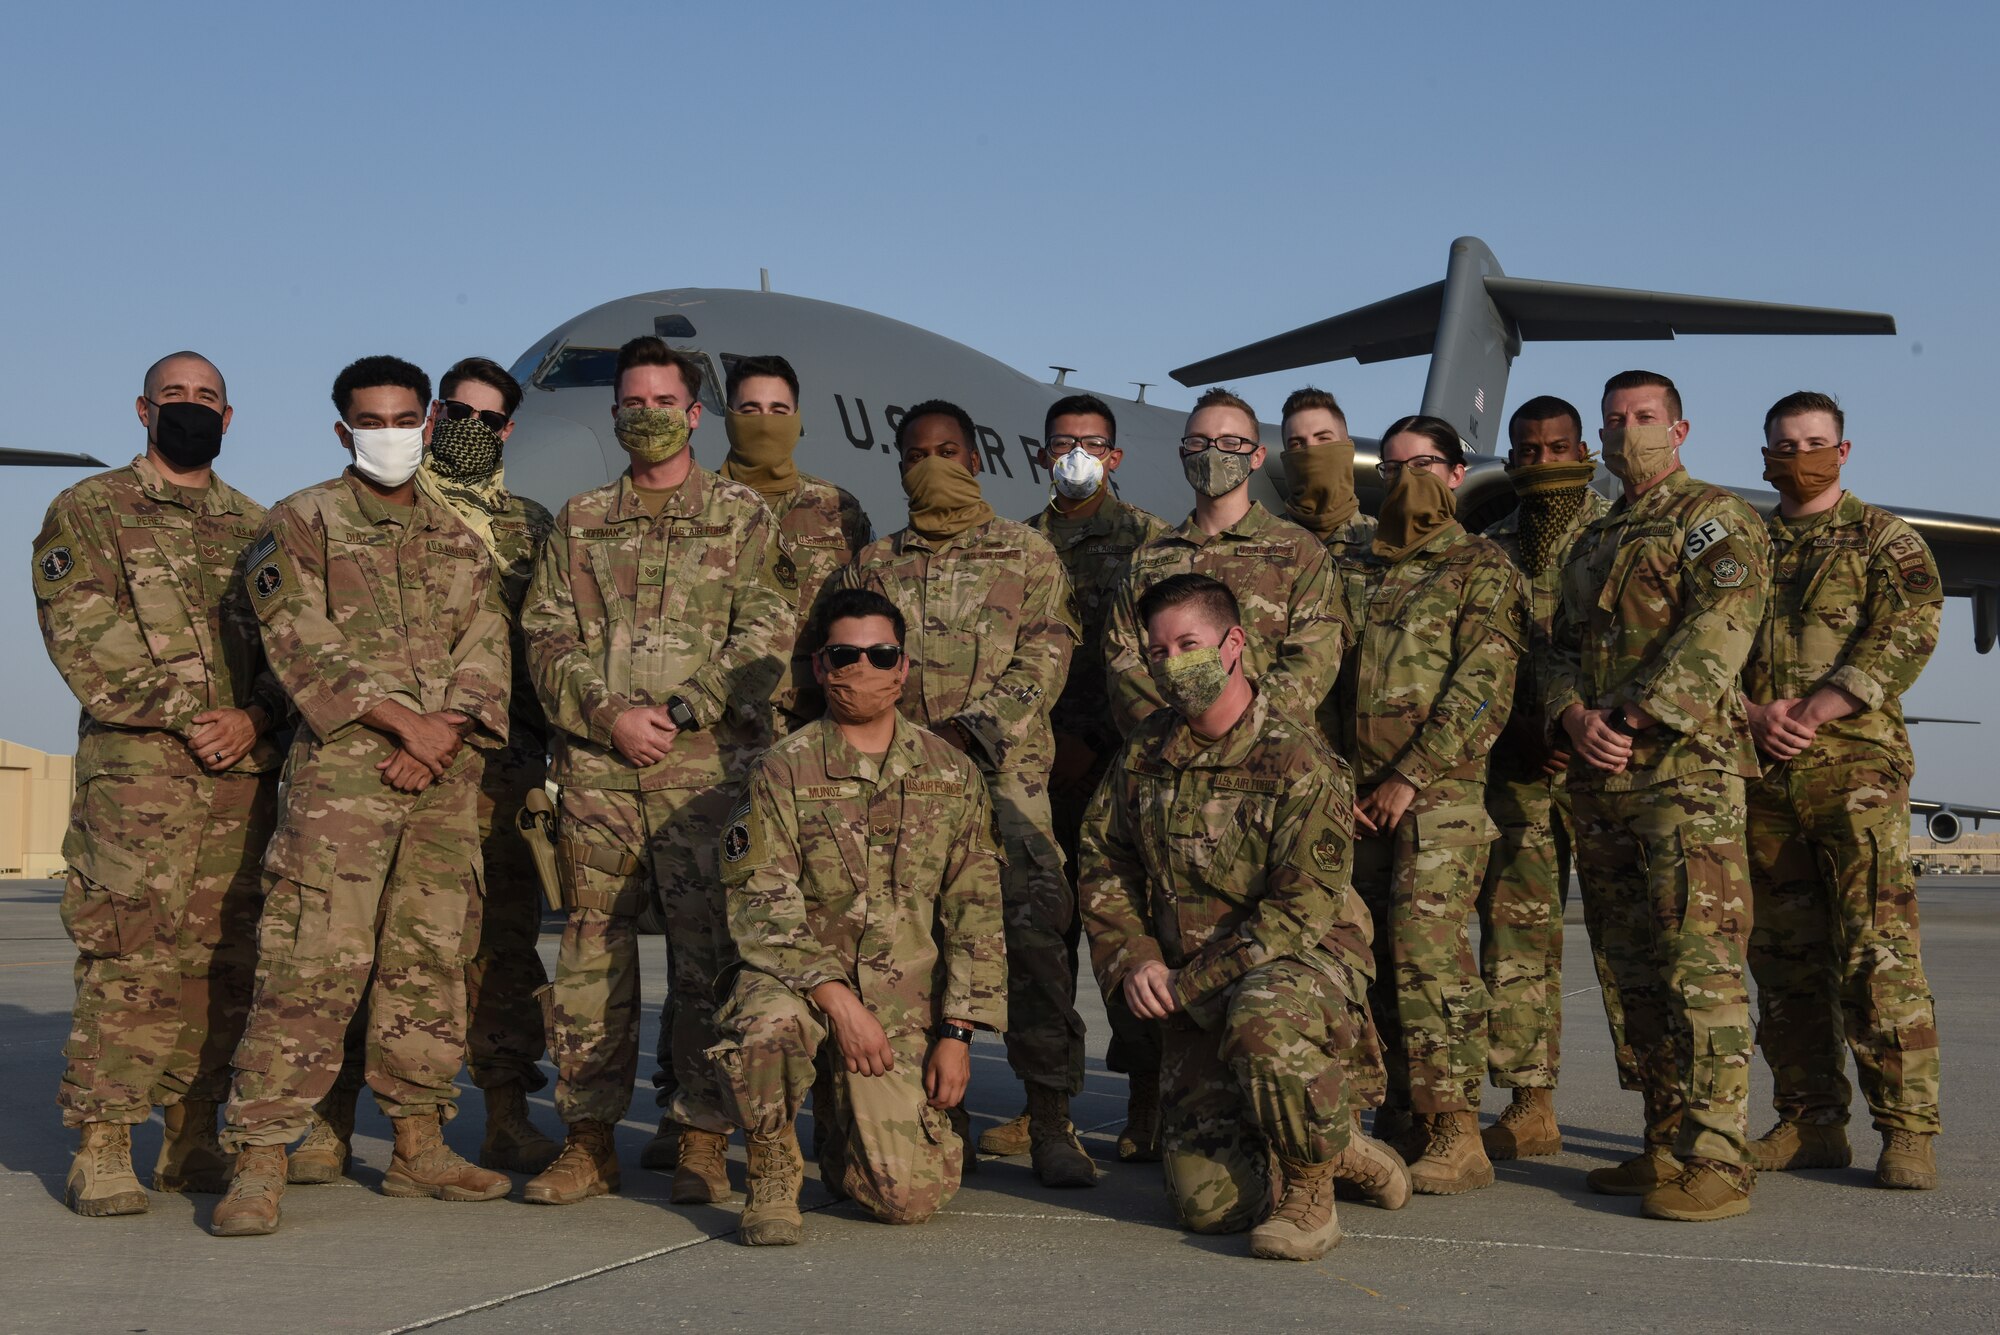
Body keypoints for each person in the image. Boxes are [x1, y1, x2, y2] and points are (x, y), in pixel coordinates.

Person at [212, 355, 515, 1236]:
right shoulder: (302, 520)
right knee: (309, 961)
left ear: (427, 424)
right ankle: (262, 1155)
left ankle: (419, 1142)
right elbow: (297, 639)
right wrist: (400, 722)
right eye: (371, 420)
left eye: (404, 417)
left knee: (428, 965)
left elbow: (486, 643)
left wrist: (445, 731)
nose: (390, 433)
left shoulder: (459, 538)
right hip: (346, 779)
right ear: (345, 431)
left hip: (440, 781)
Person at [519, 336, 793, 1208]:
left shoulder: (745, 519)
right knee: (591, 960)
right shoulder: (581, 518)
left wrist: (677, 712)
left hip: (705, 773)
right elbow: (546, 636)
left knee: (707, 958)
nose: (646, 414)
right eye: (631, 402)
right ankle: (589, 1138)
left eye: (662, 401)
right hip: (601, 776)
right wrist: (610, 717)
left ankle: (702, 1136)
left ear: (693, 413)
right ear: (616, 415)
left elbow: (766, 635)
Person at [1081, 574, 1402, 1261]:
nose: (1171, 664)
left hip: (1298, 968)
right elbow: (1104, 861)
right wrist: (1135, 956)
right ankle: (1335, 1141)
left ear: (1232, 643)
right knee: (1210, 1209)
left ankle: (1312, 1189)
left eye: (1187, 644)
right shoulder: (1143, 755)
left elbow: (1296, 912)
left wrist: (1186, 983)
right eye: (1158, 651)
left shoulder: (1298, 757)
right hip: (1189, 984)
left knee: (1263, 1012)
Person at [34, 351, 286, 1216]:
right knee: (127, 956)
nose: (191, 408)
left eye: (205, 397)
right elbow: (82, 639)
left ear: (230, 414)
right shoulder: (89, 509)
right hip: (136, 785)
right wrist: (193, 713)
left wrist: (252, 718)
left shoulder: (258, 528)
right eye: (174, 396)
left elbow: (292, 658)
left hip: (238, 786)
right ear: (142, 409)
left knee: (222, 963)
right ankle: (103, 1144)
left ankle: (190, 1135)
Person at [836, 399, 1093, 1188]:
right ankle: (942, 1121)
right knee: (914, 959)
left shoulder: (1028, 554)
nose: (934, 463)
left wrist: (970, 734)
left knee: (1035, 956)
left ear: (977, 461)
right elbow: (850, 670)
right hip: (903, 799)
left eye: (949, 449)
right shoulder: (872, 566)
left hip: (1006, 792)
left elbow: (1045, 657)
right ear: (901, 465)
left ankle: (1051, 1119)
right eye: (918, 453)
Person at [708, 589, 1007, 1243]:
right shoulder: (781, 771)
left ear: (903, 667)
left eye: (881, 654)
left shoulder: (951, 774)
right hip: (801, 984)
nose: (863, 668)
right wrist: (839, 1002)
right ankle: (772, 1168)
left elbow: (975, 911)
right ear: (821, 666)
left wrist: (957, 1033)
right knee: (766, 1023)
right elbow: (761, 906)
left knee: (906, 1198)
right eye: (846, 654)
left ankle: (851, 1123)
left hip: (902, 1003)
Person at [1547, 369, 1771, 1222]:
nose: (1627, 431)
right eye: (1615, 420)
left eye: (1644, 417)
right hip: (1603, 778)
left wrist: (1635, 713)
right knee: (1631, 969)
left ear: (1679, 429)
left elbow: (1724, 619)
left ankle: (1721, 1156)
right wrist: (1571, 715)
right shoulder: (1594, 536)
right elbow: (1554, 644)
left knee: (1700, 963)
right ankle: (1665, 1138)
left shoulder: (1713, 516)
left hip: (1685, 775)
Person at [637, 353, 870, 1173]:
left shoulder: (835, 510)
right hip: (707, 753)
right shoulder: (693, 506)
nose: (761, 418)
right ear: (720, 414)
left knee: (806, 934)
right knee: (700, 942)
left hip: (806, 753)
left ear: (800, 418)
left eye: (777, 406)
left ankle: (838, 1107)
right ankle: (692, 1110)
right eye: (747, 405)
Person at [1740, 391, 1943, 1190]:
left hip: (1855, 771)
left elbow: (1908, 630)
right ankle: (1809, 1120)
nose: (1799, 455)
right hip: (1763, 773)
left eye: (1814, 442)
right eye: (1785, 443)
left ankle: (1907, 1129)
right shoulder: (1744, 544)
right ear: (1764, 453)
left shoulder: (1886, 540)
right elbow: (1703, 641)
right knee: (1784, 957)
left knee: (1876, 951)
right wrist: (1753, 715)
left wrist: (1820, 706)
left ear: (1843, 450)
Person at [1335, 415, 1525, 1194]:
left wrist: (1409, 774)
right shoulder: (1353, 567)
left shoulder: (1482, 567)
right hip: (1352, 798)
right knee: (1366, 955)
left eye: (1425, 464)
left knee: (1428, 956)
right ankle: (1400, 1115)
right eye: (1394, 465)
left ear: (1455, 476)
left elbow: (1484, 686)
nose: (1407, 477)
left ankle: (1458, 1127)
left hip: (1437, 795)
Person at [988, 392, 1170, 1165]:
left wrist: (1098, 741)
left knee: (1127, 934)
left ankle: (1148, 1099)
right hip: (1034, 767)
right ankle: (1046, 1102)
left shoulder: (1150, 543)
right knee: (1037, 946)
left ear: (1115, 457)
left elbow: (1156, 656)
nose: (1075, 456)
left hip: (1118, 766)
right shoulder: (1013, 545)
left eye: (1090, 443)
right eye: (1062, 442)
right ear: (1039, 454)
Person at [416, 357, 562, 1172]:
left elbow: (548, 642)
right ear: (434, 417)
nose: (471, 430)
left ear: (507, 431)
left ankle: (506, 1112)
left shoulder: (529, 528)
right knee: (393, 948)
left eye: (488, 419)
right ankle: (375, 1123)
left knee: (504, 949)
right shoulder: (383, 509)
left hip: (500, 767)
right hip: (401, 763)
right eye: (457, 413)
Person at [1474, 396, 1618, 1161]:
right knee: (1516, 942)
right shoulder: (1490, 547)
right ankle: (1530, 1103)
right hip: (1517, 766)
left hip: (1606, 764)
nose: (1541, 464)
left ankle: (1666, 1104)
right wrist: (1520, 734)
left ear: (1583, 446)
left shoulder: (1622, 534)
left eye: (1556, 448)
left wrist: (1586, 725)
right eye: (1526, 452)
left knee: (1629, 940)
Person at [1103, 387, 1344, 740]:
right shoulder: (1148, 562)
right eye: (1199, 443)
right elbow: (1123, 662)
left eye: (1230, 443)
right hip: (1171, 759)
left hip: (1268, 756)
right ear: (1183, 453)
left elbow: (1313, 659)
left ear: (1258, 456)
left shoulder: (1299, 553)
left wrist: (1239, 733)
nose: (1212, 453)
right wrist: (1176, 736)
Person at [1277, 385, 1376, 643]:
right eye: (1297, 443)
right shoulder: (1264, 542)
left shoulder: (1385, 544)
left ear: (1348, 449)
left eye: (1323, 439)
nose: (1311, 451)